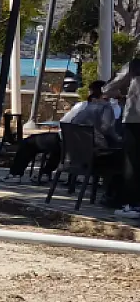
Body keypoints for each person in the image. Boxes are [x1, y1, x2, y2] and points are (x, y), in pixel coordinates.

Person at [10, 80, 113, 181]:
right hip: (85, 147)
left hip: (71, 144)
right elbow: (108, 129)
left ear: (91, 91)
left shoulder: (84, 105)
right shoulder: (111, 107)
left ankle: (16, 174)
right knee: (59, 145)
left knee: (29, 142)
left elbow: (64, 122)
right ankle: (45, 173)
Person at [102, 58, 140, 216]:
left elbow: (109, 88)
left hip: (135, 119)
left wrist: (123, 93)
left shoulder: (135, 65)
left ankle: (133, 205)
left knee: (132, 162)